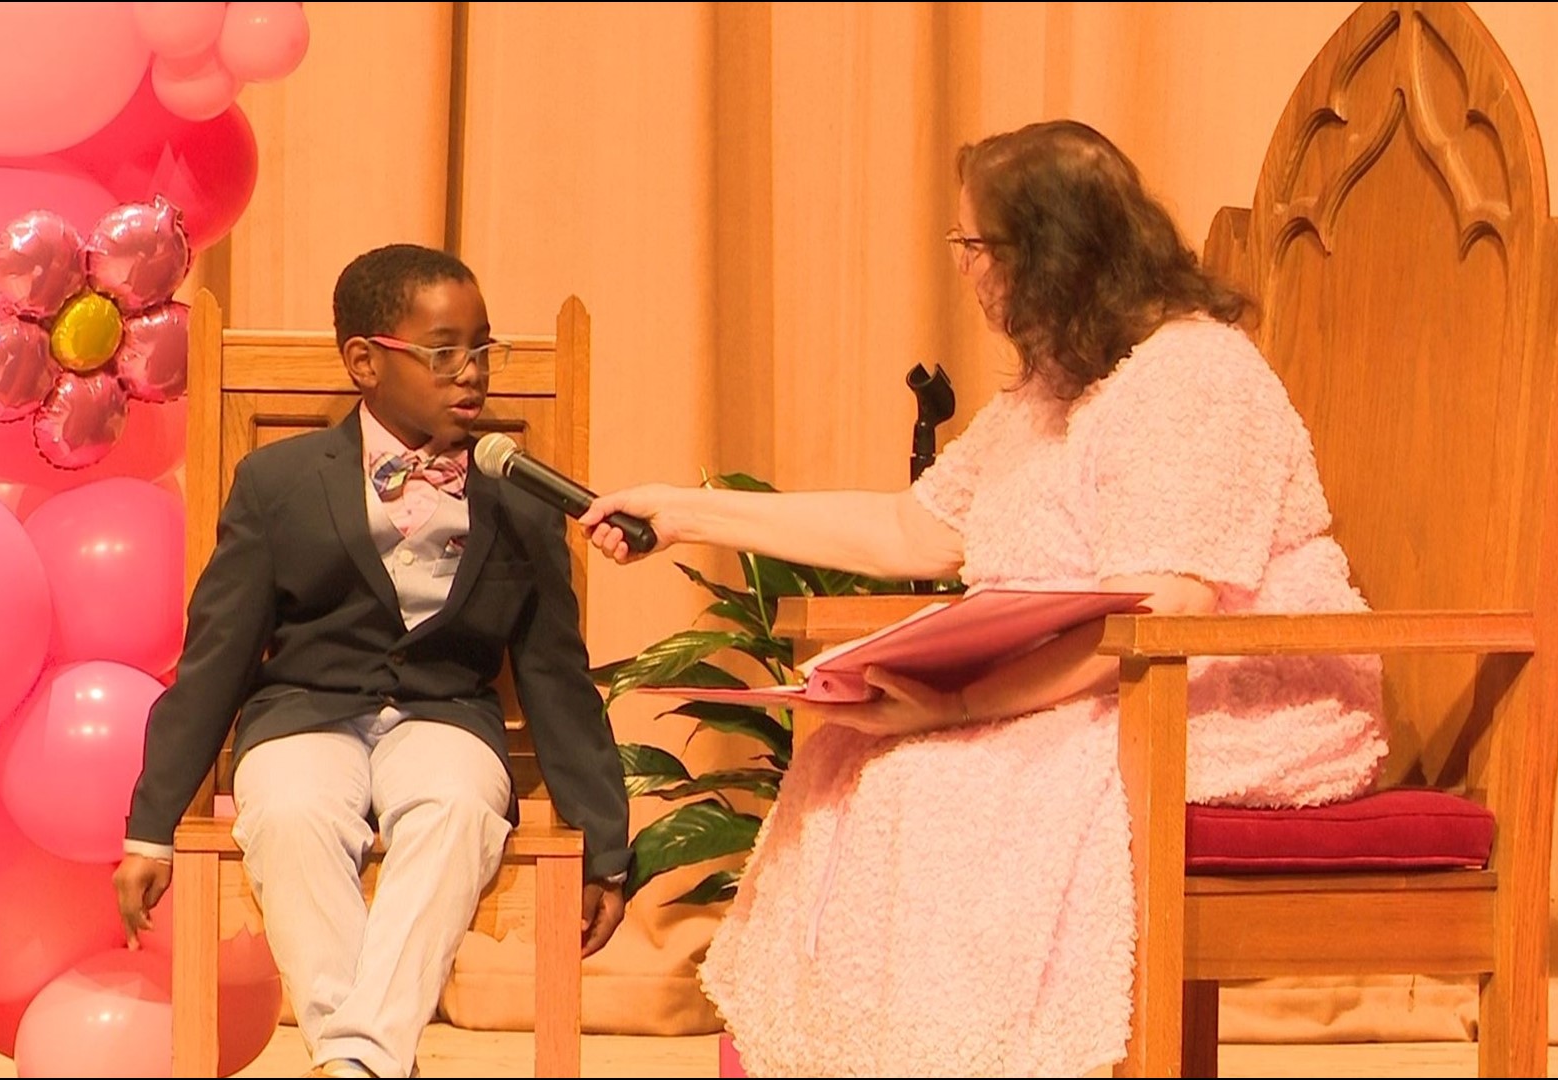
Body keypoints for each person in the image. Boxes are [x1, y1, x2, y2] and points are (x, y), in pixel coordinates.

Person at [580, 120, 1388, 1077]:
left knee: (933, 786)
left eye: (975, 245)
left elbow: (1167, 607)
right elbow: (912, 531)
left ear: (1047, 254)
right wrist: (683, 512)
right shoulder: (1058, 382)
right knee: (853, 755)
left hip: (1220, 692)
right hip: (1106, 680)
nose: (963, 268)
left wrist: (961, 702)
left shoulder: (1193, 375)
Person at [114, 244, 632, 1079]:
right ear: (364, 361)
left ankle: (353, 1063)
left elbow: (555, 676)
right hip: (304, 710)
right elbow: (217, 655)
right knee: (289, 812)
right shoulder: (278, 483)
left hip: (445, 715)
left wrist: (606, 841)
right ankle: (373, 1061)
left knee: (458, 807)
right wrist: (152, 827)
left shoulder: (520, 496)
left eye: (483, 349)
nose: (472, 373)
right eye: (443, 351)